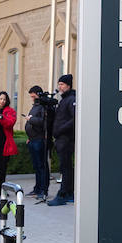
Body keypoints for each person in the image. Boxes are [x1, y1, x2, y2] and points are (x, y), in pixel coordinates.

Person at [47, 75, 77, 206]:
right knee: (65, 167)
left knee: (65, 168)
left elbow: (75, 118)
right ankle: (69, 193)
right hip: (61, 139)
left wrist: (60, 130)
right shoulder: (64, 100)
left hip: (66, 139)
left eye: (62, 84)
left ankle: (63, 194)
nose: (60, 87)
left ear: (68, 85)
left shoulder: (71, 100)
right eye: (59, 84)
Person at [26, 86, 52, 201]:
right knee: (36, 166)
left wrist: (30, 119)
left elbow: (43, 122)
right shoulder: (35, 106)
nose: (32, 98)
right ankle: (37, 188)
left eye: (33, 96)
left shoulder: (43, 107)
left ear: (38, 94)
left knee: (42, 166)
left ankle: (43, 189)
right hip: (32, 139)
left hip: (40, 140)